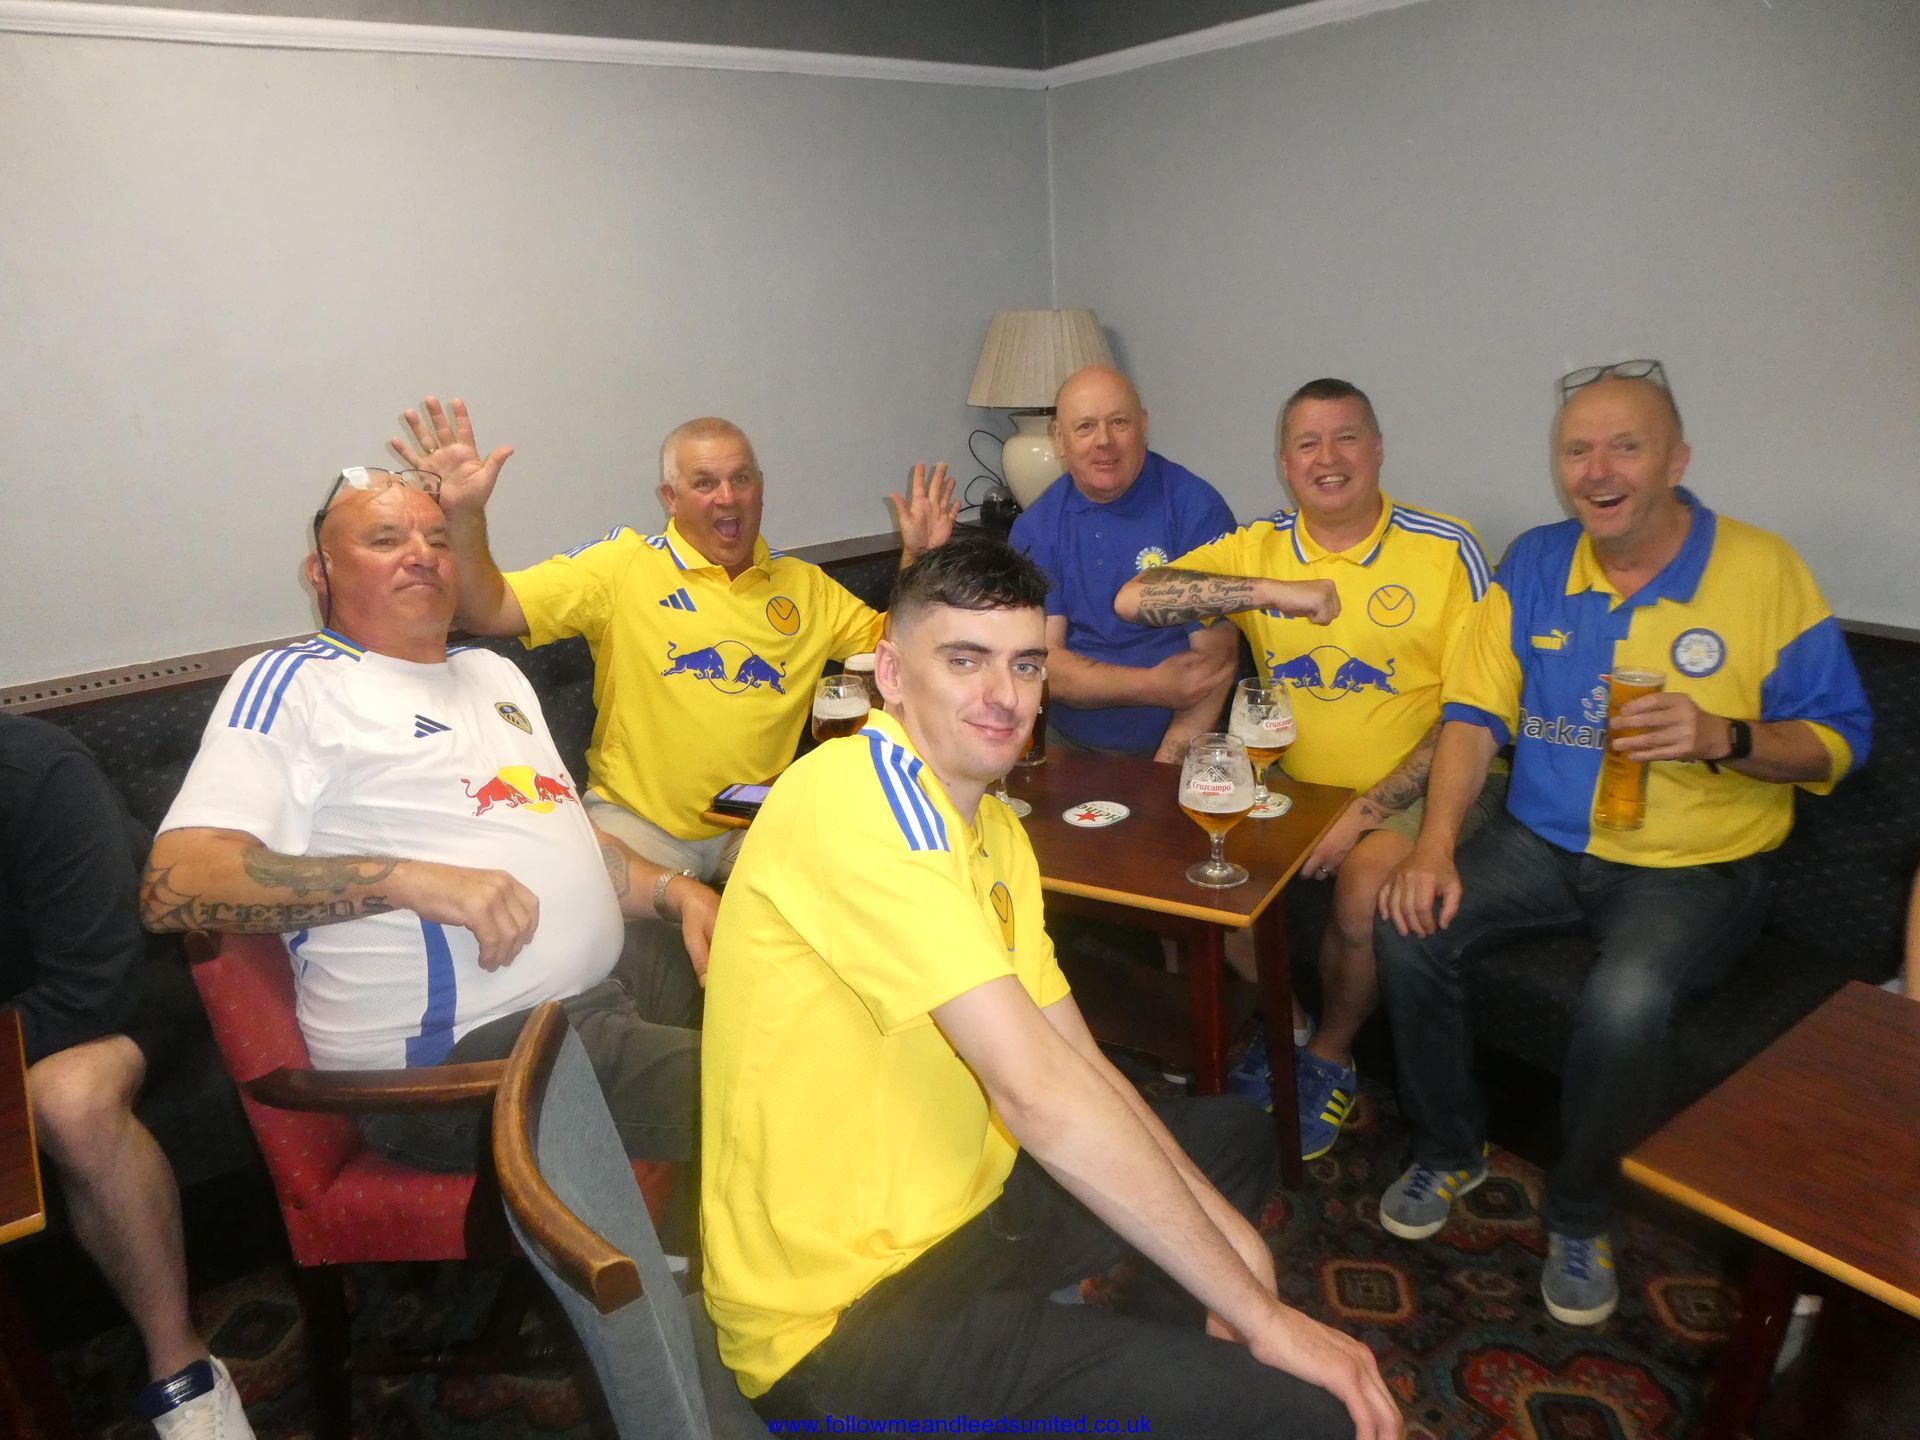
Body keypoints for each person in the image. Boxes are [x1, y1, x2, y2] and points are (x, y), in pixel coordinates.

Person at [700, 536, 1394, 1440]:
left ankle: (1163, 1369)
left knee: (1230, 1136)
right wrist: (1265, 1319)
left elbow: (1077, 1061)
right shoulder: (852, 800)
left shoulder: (992, 829)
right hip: (844, 1322)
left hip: (964, 1215)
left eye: (1025, 664)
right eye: (964, 660)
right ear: (891, 675)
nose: (1004, 695)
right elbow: (1036, 1094)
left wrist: (1238, 1264)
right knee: (1308, 1414)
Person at [1373, 362, 1872, 1326]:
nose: (1596, 470)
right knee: (1407, 922)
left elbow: (1842, 740)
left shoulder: (1763, 570)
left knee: (1626, 998)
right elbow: (1474, 714)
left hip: (1694, 866)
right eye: (1577, 450)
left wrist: (1725, 736)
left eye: (1625, 447)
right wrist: (1431, 846)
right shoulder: (1534, 562)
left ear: (1676, 460)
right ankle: (1449, 1149)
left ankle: (1582, 1214)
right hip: (1544, 843)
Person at [144, 467, 716, 1177]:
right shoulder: (297, 683)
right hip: (462, 1063)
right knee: (785, 1087)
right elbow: (174, 883)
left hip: (599, 991)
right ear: (320, 572)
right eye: (386, 539)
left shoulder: (493, 674)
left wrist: (675, 891)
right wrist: (408, 880)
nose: (421, 554)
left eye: (438, 539)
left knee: (787, 994)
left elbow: (562, 833)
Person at [1115, 379, 1492, 1160]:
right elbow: (1133, 599)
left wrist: (1363, 812)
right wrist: (1268, 592)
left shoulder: (1445, 548)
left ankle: (1328, 1056)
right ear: (1284, 463)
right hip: (1291, 781)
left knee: (1361, 890)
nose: (1328, 458)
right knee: (1205, 873)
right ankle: (1285, 1028)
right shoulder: (1259, 546)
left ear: (1377, 449)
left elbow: (1476, 711)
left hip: (1413, 785)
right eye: (1307, 444)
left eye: (1345, 437)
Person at [389, 397, 957, 885]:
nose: (727, 497)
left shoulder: (806, 587)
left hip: (755, 823)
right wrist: (464, 515)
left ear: (760, 489)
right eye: (704, 483)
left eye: (741, 479)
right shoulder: (622, 565)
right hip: (637, 825)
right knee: (593, 931)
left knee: (850, 906)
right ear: (670, 497)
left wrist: (922, 557)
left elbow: (898, 654)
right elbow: (486, 609)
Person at [2, 714, 257, 1438]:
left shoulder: (37, 770)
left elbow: (91, 990)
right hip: (30, 1006)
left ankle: (182, 1368)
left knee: (70, 1101)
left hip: (138, 976)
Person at [1009, 365, 1240, 760]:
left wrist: (1165, 771)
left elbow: (1214, 666)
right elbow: (1043, 665)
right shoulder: (1036, 528)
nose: (1104, 441)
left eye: (1119, 422)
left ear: (1143, 426)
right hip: (1065, 746)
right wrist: (1151, 685)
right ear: (1059, 439)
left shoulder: (1195, 508)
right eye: (1085, 427)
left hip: (1182, 748)